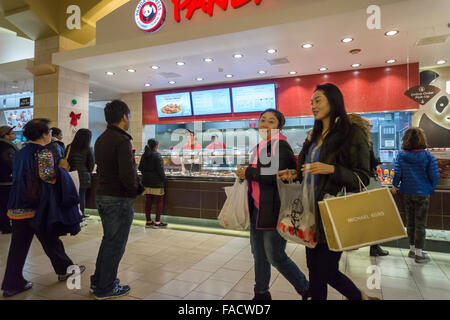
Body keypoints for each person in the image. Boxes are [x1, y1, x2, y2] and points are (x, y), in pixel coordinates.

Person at [279, 83, 378, 300]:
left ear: (333, 101)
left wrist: (332, 169)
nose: (313, 106)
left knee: (326, 269)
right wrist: (293, 174)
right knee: (314, 270)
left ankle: (359, 297)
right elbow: (305, 170)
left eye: (318, 100)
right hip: (309, 211)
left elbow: (362, 177)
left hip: (332, 214)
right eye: (311, 102)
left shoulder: (352, 133)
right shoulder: (313, 135)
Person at [1, 118, 85, 298]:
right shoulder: (44, 152)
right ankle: (65, 270)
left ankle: (11, 284)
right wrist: (62, 168)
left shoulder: (21, 151)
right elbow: (49, 178)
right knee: (51, 239)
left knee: (20, 247)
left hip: (17, 206)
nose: (50, 135)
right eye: (49, 132)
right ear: (43, 134)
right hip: (36, 207)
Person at [236, 108, 310, 300]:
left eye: (271, 121)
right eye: (262, 120)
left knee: (275, 256)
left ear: (279, 126)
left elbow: (278, 176)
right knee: (258, 254)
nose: (265, 124)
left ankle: (306, 289)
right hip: (257, 209)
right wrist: (244, 175)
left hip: (275, 209)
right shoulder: (260, 147)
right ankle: (261, 293)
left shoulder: (281, 146)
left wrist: (248, 173)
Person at [91, 100, 144, 300]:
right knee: (115, 244)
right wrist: (136, 190)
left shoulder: (101, 139)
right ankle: (106, 288)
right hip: (117, 199)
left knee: (108, 241)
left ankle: (99, 281)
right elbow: (127, 174)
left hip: (103, 195)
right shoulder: (122, 140)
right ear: (124, 117)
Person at [391, 127, 439, 264]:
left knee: (410, 222)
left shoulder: (401, 155)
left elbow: (397, 173)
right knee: (420, 224)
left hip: (407, 192)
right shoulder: (428, 156)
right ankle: (419, 253)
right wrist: (430, 187)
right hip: (423, 193)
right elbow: (434, 175)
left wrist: (395, 185)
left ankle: (412, 250)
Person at [347, 114, 389, 257]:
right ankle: (374, 247)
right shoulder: (364, 142)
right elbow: (369, 163)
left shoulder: (345, 142)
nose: (371, 128)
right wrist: (378, 160)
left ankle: (351, 242)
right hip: (368, 183)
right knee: (373, 216)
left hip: (352, 185)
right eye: (369, 125)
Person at [66, 128, 95, 220]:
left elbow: (67, 160)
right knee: (81, 195)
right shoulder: (88, 148)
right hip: (83, 175)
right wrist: (88, 171)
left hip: (71, 174)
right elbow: (91, 163)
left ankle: (72, 214)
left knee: (72, 196)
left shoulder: (69, 147)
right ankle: (80, 215)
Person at [139, 139, 167, 229]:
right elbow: (160, 170)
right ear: (156, 146)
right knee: (159, 202)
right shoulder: (157, 155)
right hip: (157, 182)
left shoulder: (144, 155)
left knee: (148, 202)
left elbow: (140, 168)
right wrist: (164, 179)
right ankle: (157, 223)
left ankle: (148, 222)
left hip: (146, 182)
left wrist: (146, 175)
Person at [0, 125, 18, 234]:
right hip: (6, 180)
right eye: (12, 133)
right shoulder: (7, 147)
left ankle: (3, 224)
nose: (14, 135)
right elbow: (12, 164)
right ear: (5, 135)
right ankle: (6, 226)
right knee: (5, 204)